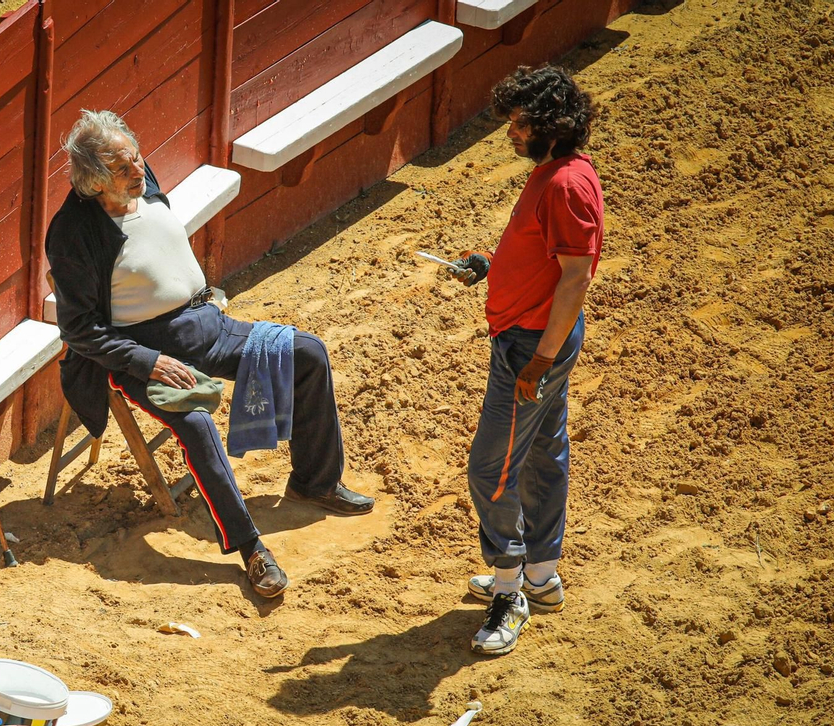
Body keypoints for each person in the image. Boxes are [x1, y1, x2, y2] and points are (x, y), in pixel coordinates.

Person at [44, 110, 372, 600]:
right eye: (123, 168)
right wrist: (147, 362)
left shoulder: (139, 177)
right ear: (93, 184)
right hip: (145, 352)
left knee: (308, 353)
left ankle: (316, 481)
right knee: (195, 423)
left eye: (137, 157)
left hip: (210, 326)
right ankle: (251, 548)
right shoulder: (73, 233)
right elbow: (80, 330)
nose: (139, 171)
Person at [450, 66, 604, 655]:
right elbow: (546, 261)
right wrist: (492, 267)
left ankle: (510, 591)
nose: (510, 134)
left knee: (491, 469)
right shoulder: (558, 173)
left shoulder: (564, 184)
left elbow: (574, 281)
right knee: (543, 451)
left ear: (551, 126)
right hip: (532, 335)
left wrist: (537, 363)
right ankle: (541, 576)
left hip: (529, 346)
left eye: (519, 124)